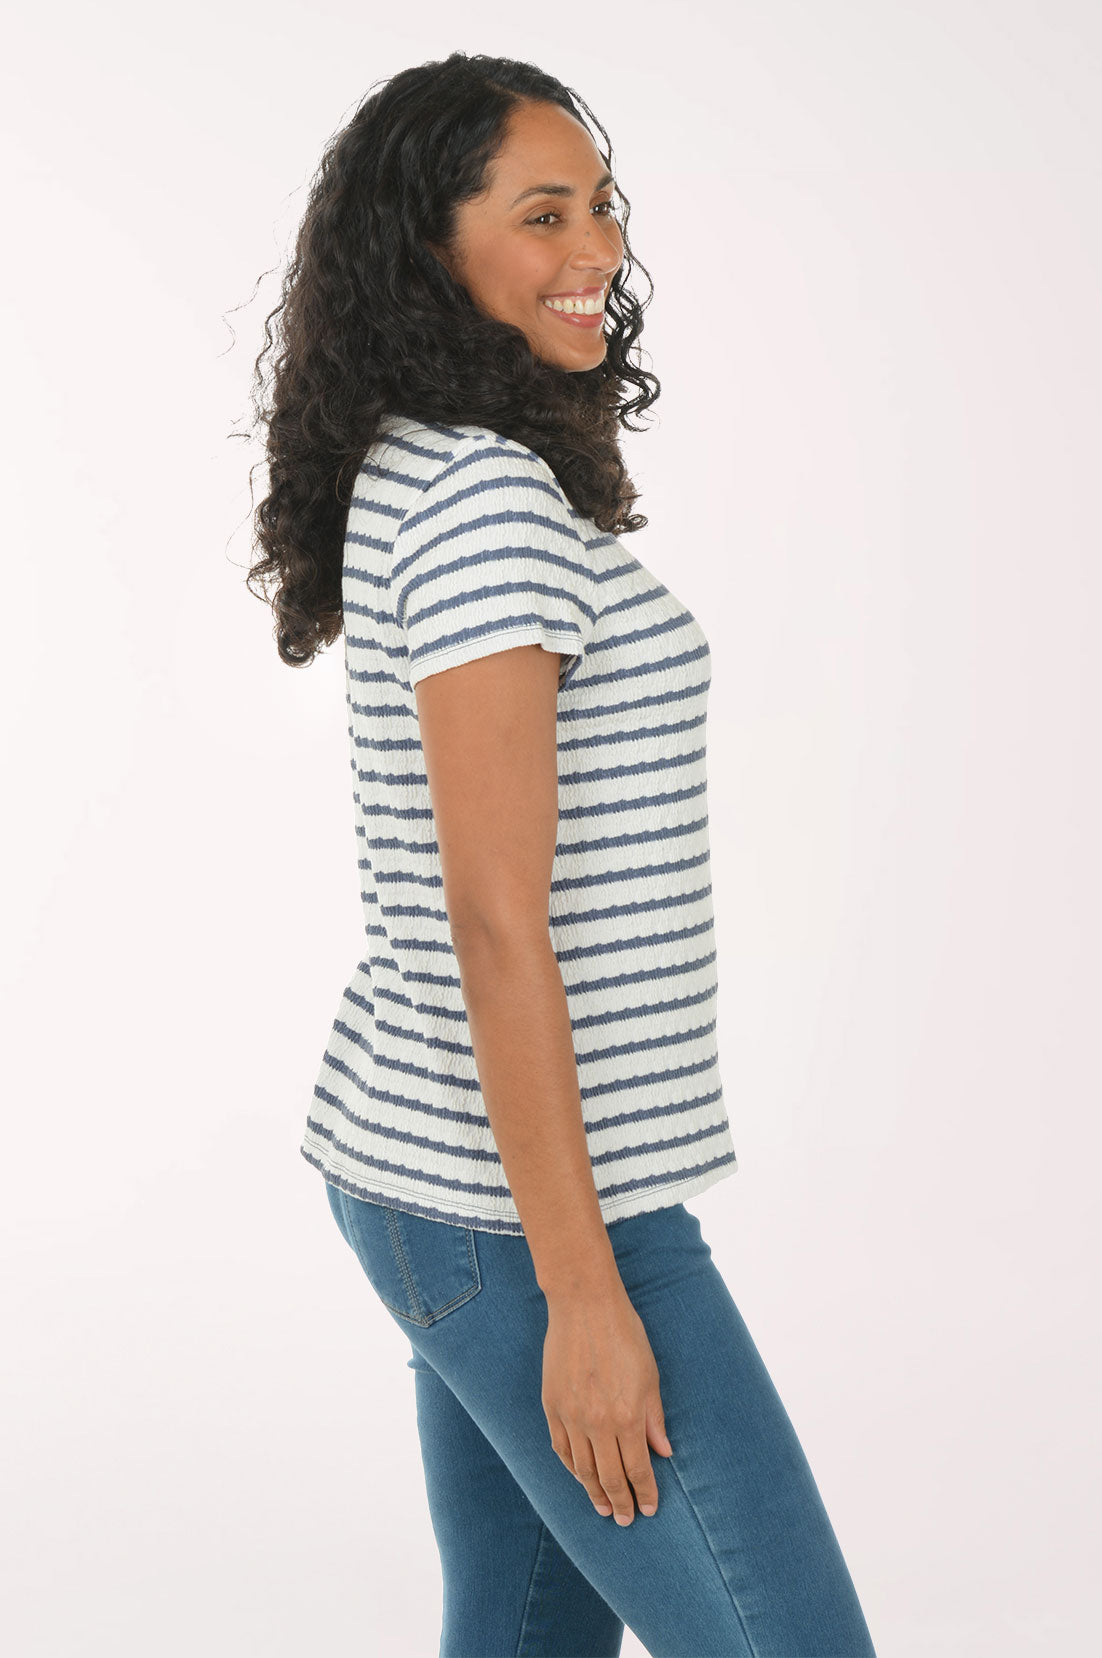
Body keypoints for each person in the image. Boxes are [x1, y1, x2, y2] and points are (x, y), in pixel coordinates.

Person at [248, 50, 879, 1658]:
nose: (595, 246)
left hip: (452, 1179)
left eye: (600, 204)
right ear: (427, 251)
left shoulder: (437, 463)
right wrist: (584, 1292)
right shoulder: (476, 500)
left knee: (526, 1635)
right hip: (526, 1208)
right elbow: (490, 915)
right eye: (542, 213)